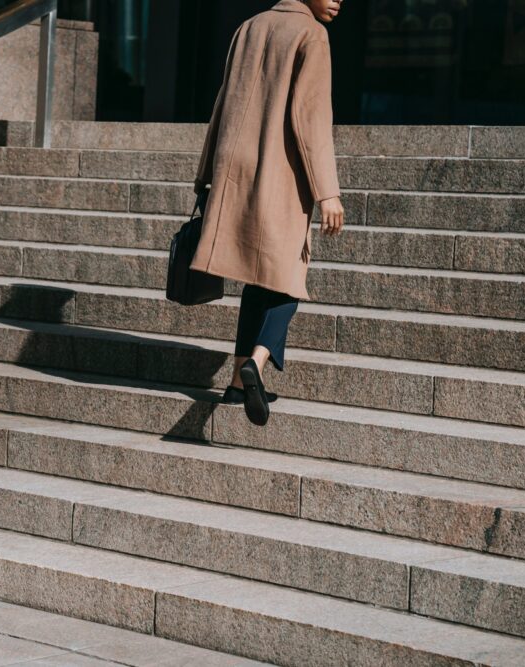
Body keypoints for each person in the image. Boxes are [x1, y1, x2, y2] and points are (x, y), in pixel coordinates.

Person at [192, 0, 345, 426]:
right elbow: (311, 117)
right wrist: (328, 192)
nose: (338, 0)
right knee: (289, 276)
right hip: (280, 172)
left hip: (235, 167)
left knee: (260, 277)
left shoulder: (250, 26)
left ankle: (237, 381)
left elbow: (222, 102)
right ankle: (256, 364)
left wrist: (204, 172)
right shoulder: (312, 34)